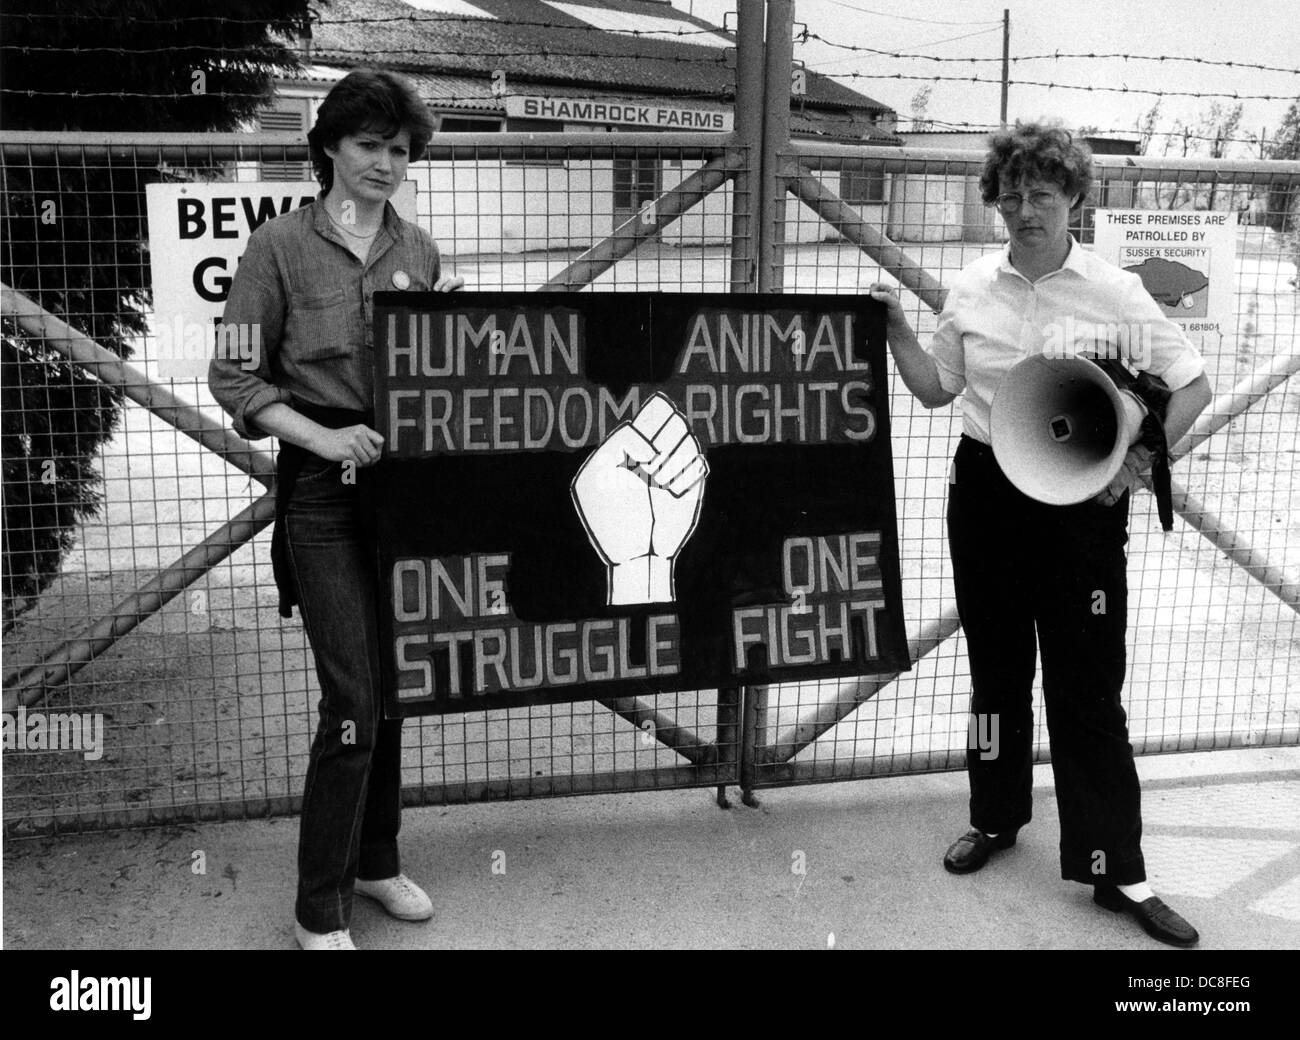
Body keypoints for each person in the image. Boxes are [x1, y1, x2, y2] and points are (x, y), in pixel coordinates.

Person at [869, 121, 1213, 948]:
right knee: (995, 674)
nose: (1026, 209)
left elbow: (1193, 384)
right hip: (987, 493)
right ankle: (994, 817)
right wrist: (894, 329)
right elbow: (935, 389)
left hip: (1079, 511)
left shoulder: (1114, 293)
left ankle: (1116, 866)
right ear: (997, 200)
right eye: (1012, 194)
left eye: (1043, 195)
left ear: (1075, 201)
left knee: (1087, 689)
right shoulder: (973, 288)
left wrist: (1133, 469)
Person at [209, 69, 464, 950]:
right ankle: (318, 907)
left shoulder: (419, 253)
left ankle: (376, 863)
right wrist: (319, 440)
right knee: (352, 693)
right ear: (328, 147)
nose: (385, 164)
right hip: (320, 495)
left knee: (392, 686)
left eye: (400, 151)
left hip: (400, 493)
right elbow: (232, 375)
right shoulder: (273, 249)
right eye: (369, 146)